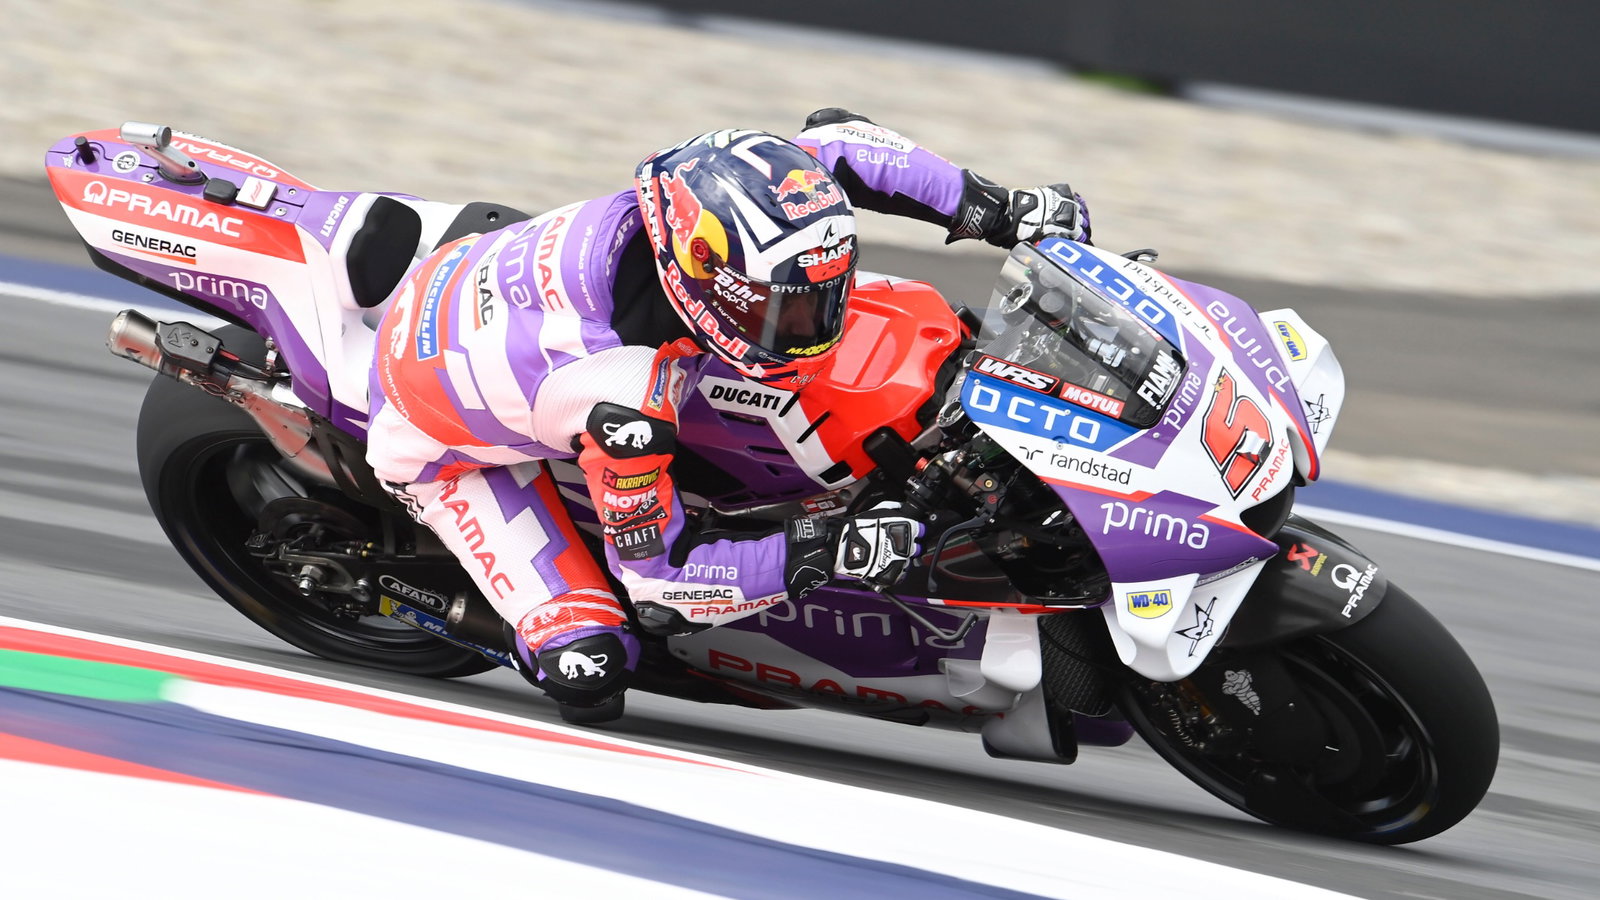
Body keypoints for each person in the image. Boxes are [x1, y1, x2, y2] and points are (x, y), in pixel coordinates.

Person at [365, 108, 1089, 719]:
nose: (814, 320)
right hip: (439, 439)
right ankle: (539, 623)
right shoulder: (625, 402)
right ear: (705, 277)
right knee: (593, 665)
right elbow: (663, 577)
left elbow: (844, 142)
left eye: (819, 296)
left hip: (482, 292)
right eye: (788, 308)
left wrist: (999, 207)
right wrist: (827, 547)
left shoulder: (723, 190)